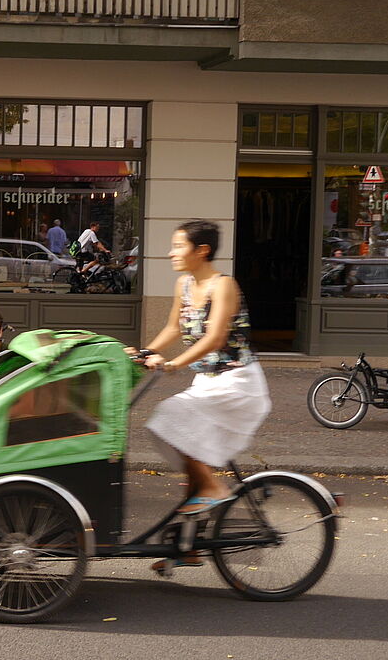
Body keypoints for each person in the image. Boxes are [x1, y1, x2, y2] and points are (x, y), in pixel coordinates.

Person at [131, 219, 270, 570]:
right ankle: (188, 547)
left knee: (169, 417)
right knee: (192, 460)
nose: (171, 252)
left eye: (178, 246)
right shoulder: (185, 284)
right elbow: (173, 327)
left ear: (201, 250)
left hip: (238, 382)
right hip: (209, 382)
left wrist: (175, 364)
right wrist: (144, 354)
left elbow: (215, 339)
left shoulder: (224, 286)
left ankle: (214, 490)